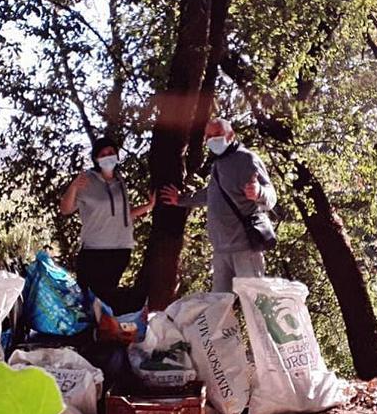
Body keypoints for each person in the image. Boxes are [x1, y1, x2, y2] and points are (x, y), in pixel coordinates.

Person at [160, 118, 277, 293]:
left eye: (217, 135)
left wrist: (259, 191)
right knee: (220, 307)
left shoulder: (246, 158)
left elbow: (271, 197)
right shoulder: (219, 163)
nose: (212, 140)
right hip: (221, 250)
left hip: (245, 249)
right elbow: (211, 194)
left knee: (256, 304)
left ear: (230, 135)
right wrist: (181, 200)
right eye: (208, 136)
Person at [60, 136, 155, 311]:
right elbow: (65, 209)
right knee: (90, 301)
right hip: (94, 251)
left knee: (107, 301)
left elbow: (124, 214)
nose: (108, 156)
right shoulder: (86, 180)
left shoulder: (120, 181)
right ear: (96, 158)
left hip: (120, 250)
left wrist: (149, 206)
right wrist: (73, 187)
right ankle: (89, 335)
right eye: (103, 154)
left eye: (111, 153)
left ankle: (108, 334)